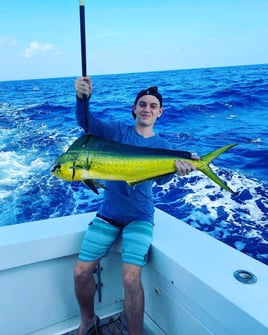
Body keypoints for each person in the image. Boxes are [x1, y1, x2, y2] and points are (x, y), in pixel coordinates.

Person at [74, 76, 197, 335]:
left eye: (153, 106)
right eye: (142, 104)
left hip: (140, 217)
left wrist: (180, 169)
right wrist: (82, 98)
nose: (147, 109)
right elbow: (87, 123)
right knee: (81, 272)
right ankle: (88, 320)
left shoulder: (163, 147)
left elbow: (163, 178)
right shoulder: (118, 131)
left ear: (160, 112)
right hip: (108, 215)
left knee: (131, 279)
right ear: (134, 108)